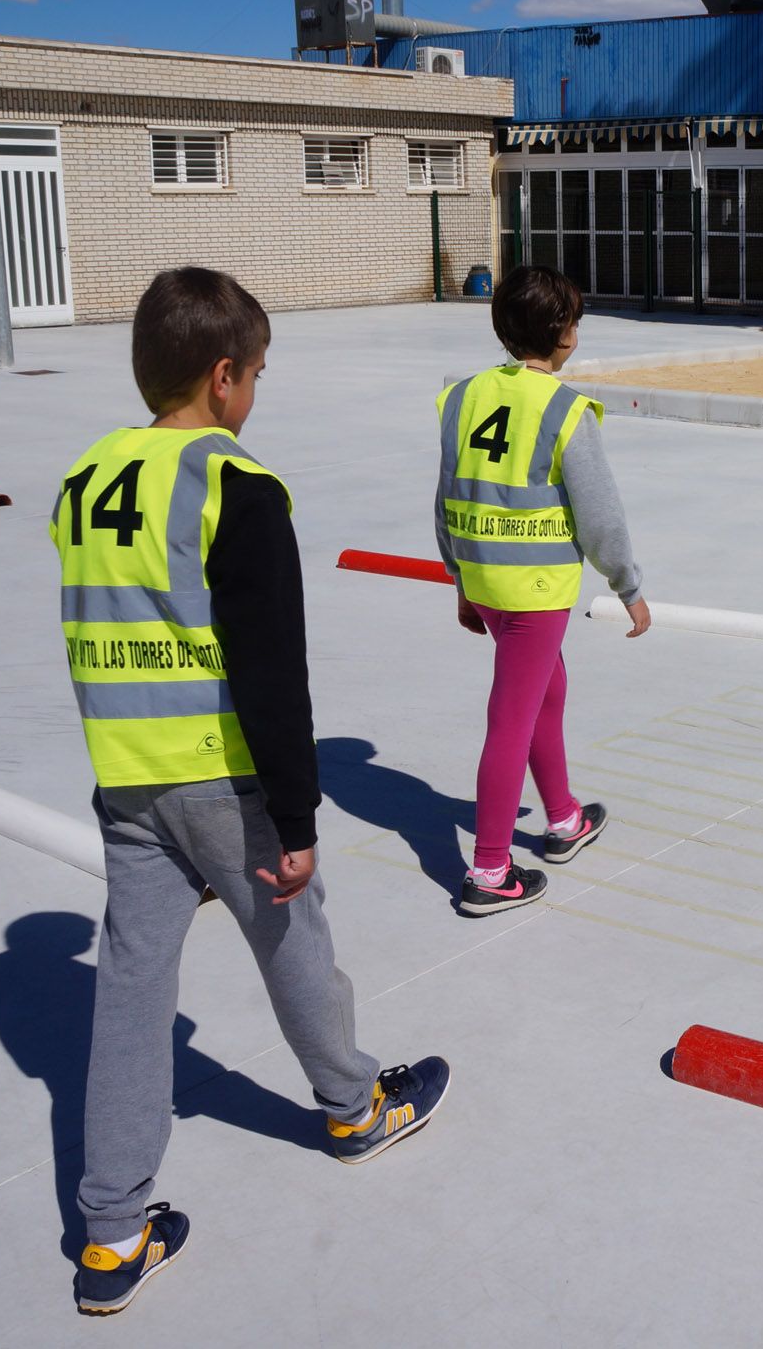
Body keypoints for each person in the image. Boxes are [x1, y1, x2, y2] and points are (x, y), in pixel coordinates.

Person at [50, 268, 450, 1314]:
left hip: (126, 778)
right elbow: (271, 664)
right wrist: (300, 813)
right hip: (222, 774)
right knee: (291, 941)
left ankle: (111, 1233)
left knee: (131, 994)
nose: (258, 391)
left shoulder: (86, 475)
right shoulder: (234, 482)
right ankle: (354, 1107)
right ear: (223, 378)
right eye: (259, 373)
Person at [436, 265, 649, 917]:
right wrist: (628, 585)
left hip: (490, 583)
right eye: (575, 319)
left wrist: (463, 581)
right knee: (511, 719)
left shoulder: (463, 396)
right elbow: (601, 516)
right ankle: (491, 869)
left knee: (544, 692)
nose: (577, 330)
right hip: (535, 590)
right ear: (562, 334)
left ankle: (563, 819)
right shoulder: (564, 409)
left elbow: (448, 495)